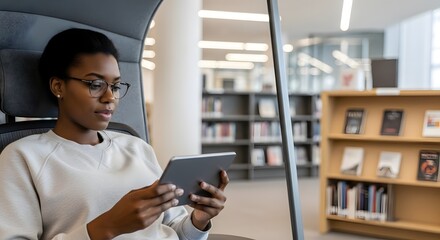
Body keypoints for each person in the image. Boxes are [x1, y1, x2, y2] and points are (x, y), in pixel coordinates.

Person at [0, 28, 229, 239]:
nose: (110, 97)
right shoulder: (23, 157)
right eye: (95, 84)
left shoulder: (137, 147)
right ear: (58, 87)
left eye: (116, 86)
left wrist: (199, 219)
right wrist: (107, 227)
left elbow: (174, 229)